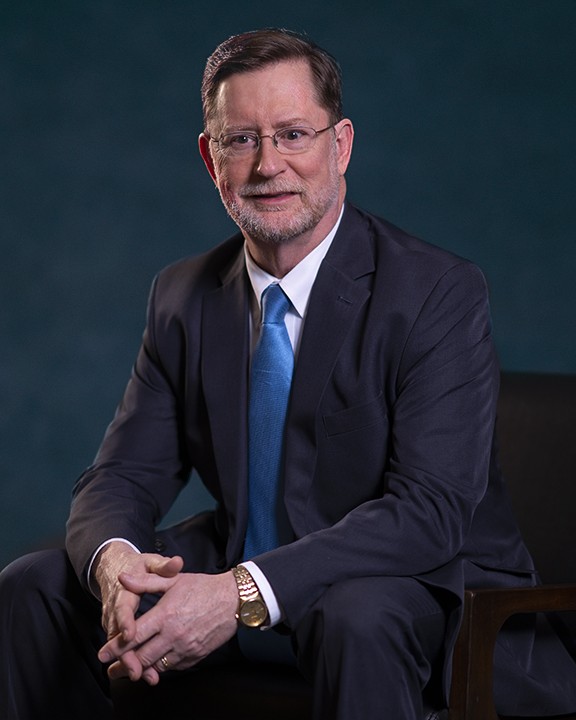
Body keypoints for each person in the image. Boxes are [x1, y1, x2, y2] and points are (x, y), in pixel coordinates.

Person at [1, 27, 575, 720]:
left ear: (341, 147)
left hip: (419, 594)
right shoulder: (185, 296)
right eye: (242, 139)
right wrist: (117, 564)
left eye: (294, 134)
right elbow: (122, 475)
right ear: (212, 159)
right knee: (36, 583)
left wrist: (240, 592)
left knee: (356, 616)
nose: (269, 164)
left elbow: (428, 515)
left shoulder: (435, 292)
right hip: (248, 566)